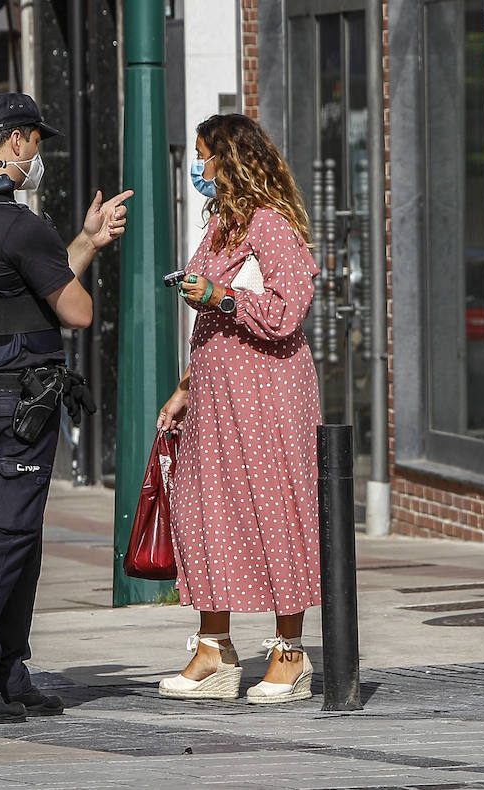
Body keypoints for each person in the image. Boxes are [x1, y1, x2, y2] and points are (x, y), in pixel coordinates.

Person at [0, 92, 132, 724]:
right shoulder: (19, 222)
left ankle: (7, 671)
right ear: (15, 143)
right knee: (1, 538)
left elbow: (23, 291)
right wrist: (79, 257)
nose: (38, 154)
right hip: (20, 402)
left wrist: (87, 242)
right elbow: (74, 310)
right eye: (37, 143)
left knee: (16, 538)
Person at [155, 113, 322, 704]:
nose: (199, 167)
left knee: (276, 509)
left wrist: (220, 296)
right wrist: (185, 386)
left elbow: (286, 311)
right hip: (216, 392)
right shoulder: (222, 227)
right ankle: (213, 649)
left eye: (205, 155)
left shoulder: (272, 225)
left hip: (269, 394)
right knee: (207, 511)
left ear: (233, 159)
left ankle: (290, 651)